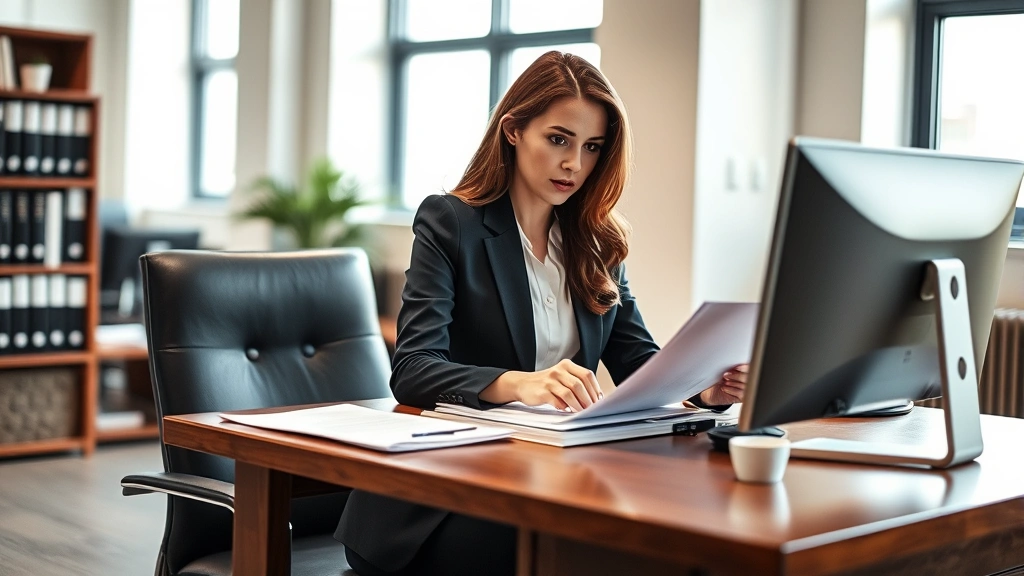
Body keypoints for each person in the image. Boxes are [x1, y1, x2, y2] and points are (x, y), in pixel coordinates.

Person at [335, 51, 747, 576]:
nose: (575, 163)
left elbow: (638, 358)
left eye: (592, 147)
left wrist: (703, 387)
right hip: (438, 501)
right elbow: (413, 369)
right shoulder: (451, 222)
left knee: (687, 531)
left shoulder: (596, 242)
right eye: (558, 139)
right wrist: (521, 383)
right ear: (513, 130)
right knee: (594, 547)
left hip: (547, 473)